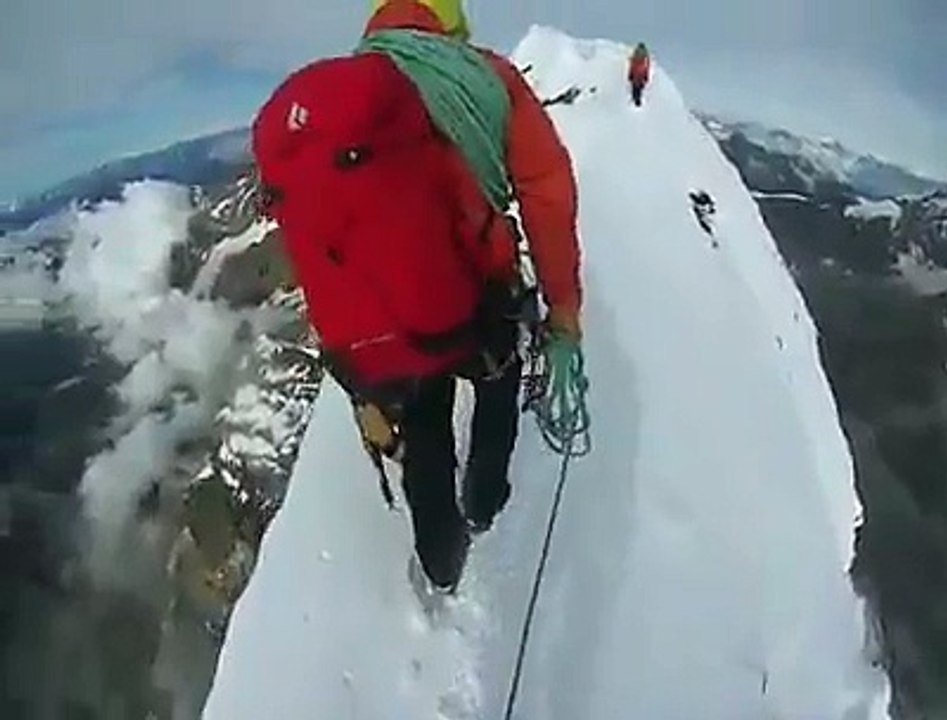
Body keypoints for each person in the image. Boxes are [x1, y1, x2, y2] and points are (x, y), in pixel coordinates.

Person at [253, 0, 583, 592]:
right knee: (497, 379)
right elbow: (546, 195)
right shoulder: (488, 77)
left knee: (424, 423)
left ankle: (440, 558)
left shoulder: (342, 105)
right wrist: (563, 310)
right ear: (450, 25)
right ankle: (484, 499)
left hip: (370, 324)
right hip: (474, 300)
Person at [628, 42, 651, 107]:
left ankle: (635, 98)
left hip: (636, 72)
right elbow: (647, 67)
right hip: (641, 73)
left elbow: (632, 64)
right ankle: (637, 99)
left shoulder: (635, 54)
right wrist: (646, 76)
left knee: (635, 86)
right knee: (639, 87)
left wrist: (630, 74)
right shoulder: (646, 57)